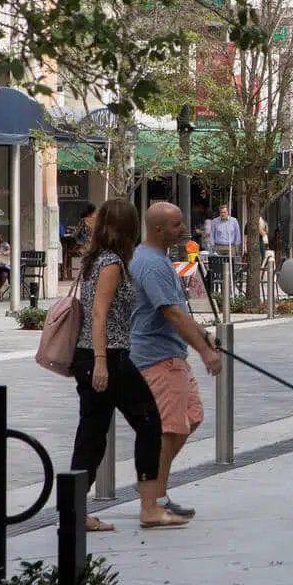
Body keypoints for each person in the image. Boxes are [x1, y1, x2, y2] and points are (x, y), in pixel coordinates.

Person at [67, 199, 184, 531]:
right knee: (149, 422)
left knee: (92, 434)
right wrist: (102, 362)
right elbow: (99, 313)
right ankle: (149, 507)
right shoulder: (111, 263)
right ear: (129, 228)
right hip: (109, 356)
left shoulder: (96, 259)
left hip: (93, 356)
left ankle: (74, 510)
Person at [130, 202, 223, 518]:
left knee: (191, 417)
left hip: (172, 355)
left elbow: (179, 311)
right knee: (170, 428)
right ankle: (153, 496)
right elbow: (171, 313)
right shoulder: (152, 264)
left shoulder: (159, 258)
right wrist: (206, 352)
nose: (183, 229)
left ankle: (153, 484)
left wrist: (203, 335)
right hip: (158, 358)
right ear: (158, 229)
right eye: (176, 224)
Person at [205, 203, 242, 296]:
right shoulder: (215, 221)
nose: (223, 214)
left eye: (225, 212)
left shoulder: (234, 221)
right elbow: (212, 235)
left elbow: (237, 235)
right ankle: (219, 289)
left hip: (230, 246)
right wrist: (213, 247)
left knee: (231, 269)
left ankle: (230, 288)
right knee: (218, 269)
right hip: (218, 247)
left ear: (228, 212)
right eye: (221, 212)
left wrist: (237, 249)